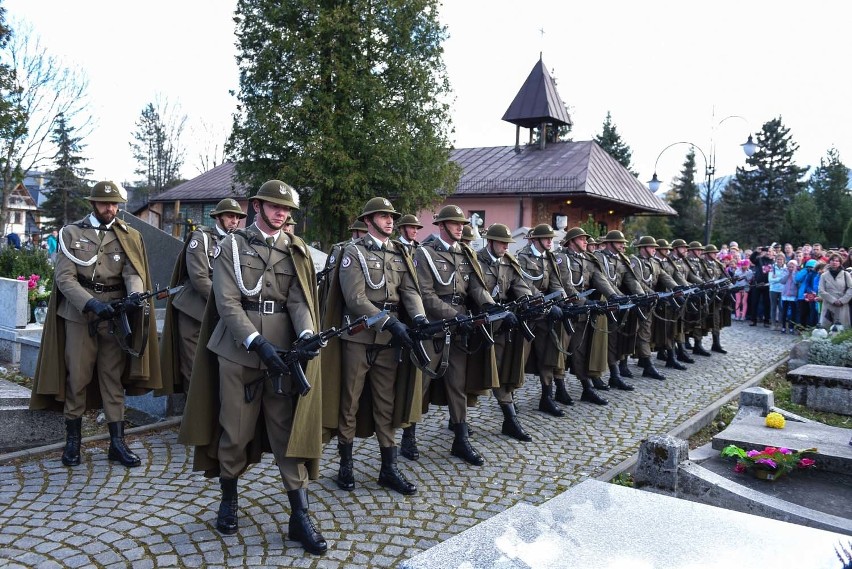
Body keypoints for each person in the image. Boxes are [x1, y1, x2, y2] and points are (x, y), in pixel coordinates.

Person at [178, 180, 326, 554]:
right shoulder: (231, 245)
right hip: (239, 350)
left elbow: (299, 300)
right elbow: (226, 302)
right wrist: (255, 342)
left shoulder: (296, 249)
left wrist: (307, 332)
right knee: (236, 432)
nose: (282, 214)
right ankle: (229, 497)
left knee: (287, 431)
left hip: (284, 352)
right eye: (275, 207)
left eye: (287, 209)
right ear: (257, 205)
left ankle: (299, 516)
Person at [30, 181, 161, 468]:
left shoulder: (129, 235)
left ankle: (117, 443)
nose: (110, 208)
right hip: (80, 315)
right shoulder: (71, 233)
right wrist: (91, 305)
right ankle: (73, 442)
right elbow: (65, 279)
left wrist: (134, 296)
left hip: (114, 317)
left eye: (114, 204)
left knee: (112, 379)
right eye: (104, 203)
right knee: (77, 377)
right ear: (93, 204)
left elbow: (133, 272)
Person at [322, 197, 424, 495]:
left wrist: (417, 318)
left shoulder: (399, 252)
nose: (390, 221)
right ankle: (346, 464)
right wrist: (388, 322)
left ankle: (388, 468)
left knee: (386, 402)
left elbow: (409, 290)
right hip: (359, 336)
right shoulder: (353, 252)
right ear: (368, 221)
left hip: (388, 341)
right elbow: (354, 299)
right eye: (382, 216)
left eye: (391, 216)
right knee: (350, 402)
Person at [411, 204, 500, 466]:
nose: (461, 227)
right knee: (421, 385)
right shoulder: (425, 254)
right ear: (441, 226)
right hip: (434, 328)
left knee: (457, 384)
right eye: (455, 223)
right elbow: (425, 295)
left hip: (460, 328)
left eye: (462, 224)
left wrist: (491, 307)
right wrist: (453, 315)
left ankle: (460, 439)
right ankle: (409, 435)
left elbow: (476, 287)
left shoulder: (465, 254)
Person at [160, 198, 246, 394]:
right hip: (195, 310)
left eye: (237, 217)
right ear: (218, 217)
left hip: (222, 310)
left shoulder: (239, 241)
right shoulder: (202, 238)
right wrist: (226, 302)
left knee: (219, 363)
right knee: (193, 364)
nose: (234, 220)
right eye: (230, 216)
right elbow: (199, 277)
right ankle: (192, 417)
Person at [476, 223, 535, 440]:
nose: (505, 247)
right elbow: (477, 290)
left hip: (500, 327)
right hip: (479, 325)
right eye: (502, 243)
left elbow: (520, 285)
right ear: (490, 241)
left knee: (499, 371)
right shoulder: (476, 261)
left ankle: (510, 420)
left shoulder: (508, 262)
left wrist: (529, 301)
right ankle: (457, 421)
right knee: (465, 377)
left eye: (507, 244)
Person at [560, 227, 625, 399]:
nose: (586, 242)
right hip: (568, 311)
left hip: (584, 312)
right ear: (571, 241)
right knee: (559, 353)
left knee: (580, 349)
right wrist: (585, 302)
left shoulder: (588, 259)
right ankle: (557, 389)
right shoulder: (562, 259)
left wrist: (614, 296)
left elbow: (600, 279)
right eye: (582, 239)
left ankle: (586, 387)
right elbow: (567, 285)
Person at [516, 224, 572, 416]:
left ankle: (546, 397)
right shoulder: (522, 258)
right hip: (529, 316)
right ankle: (509, 397)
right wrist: (549, 305)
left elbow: (556, 283)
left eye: (551, 238)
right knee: (519, 358)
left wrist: (564, 302)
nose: (550, 241)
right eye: (546, 238)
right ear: (536, 240)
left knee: (548, 356)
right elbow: (527, 286)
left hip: (546, 317)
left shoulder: (549, 258)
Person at [629, 236, 679, 379]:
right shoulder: (635, 262)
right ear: (643, 248)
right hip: (638, 303)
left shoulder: (654, 263)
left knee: (645, 333)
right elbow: (638, 282)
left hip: (649, 303)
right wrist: (655, 294)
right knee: (629, 334)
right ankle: (622, 366)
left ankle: (647, 365)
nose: (654, 249)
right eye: (652, 247)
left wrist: (677, 288)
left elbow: (665, 277)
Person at [818, 253, 852, 328]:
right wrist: (833, 300)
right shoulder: (824, 275)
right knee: (826, 328)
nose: (834, 262)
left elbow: (850, 289)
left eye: (837, 261)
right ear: (829, 262)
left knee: (841, 329)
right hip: (828, 304)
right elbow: (821, 290)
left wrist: (842, 300)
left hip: (842, 305)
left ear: (840, 263)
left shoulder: (846, 275)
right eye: (833, 260)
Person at [768, 253, 789, 331]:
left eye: (781, 259)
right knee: (773, 306)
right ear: (776, 260)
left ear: (784, 260)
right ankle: (773, 323)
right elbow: (770, 280)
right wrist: (780, 279)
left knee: (781, 307)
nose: (779, 261)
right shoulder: (772, 268)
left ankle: (780, 323)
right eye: (778, 259)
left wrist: (776, 278)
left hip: (782, 290)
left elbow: (786, 279)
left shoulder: (786, 268)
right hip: (773, 289)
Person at [780, 259, 798, 334]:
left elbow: (796, 282)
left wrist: (793, 273)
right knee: (784, 312)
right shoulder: (785, 272)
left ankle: (791, 327)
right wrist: (788, 274)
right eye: (789, 267)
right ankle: (783, 327)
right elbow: (782, 281)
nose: (790, 268)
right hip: (785, 295)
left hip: (793, 295)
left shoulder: (797, 273)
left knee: (793, 312)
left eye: (792, 267)